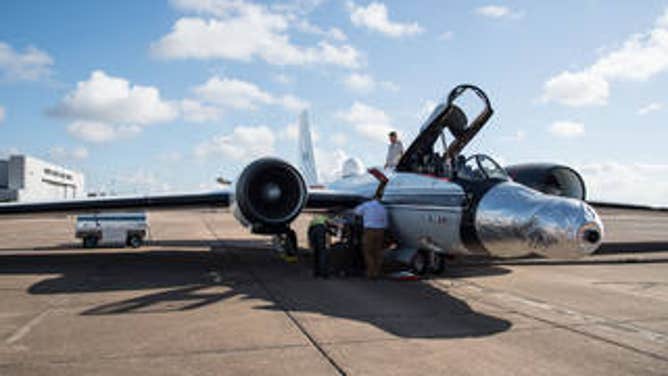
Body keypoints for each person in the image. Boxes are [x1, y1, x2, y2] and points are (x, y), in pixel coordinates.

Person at [354, 191, 388, 278]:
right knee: (377, 252)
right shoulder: (383, 208)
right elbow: (385, 222)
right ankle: (376, 271)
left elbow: (357, 212)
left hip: (369, 230)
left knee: (368, 251)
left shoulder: (367, 205)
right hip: (381, 231)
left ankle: (370, 272)